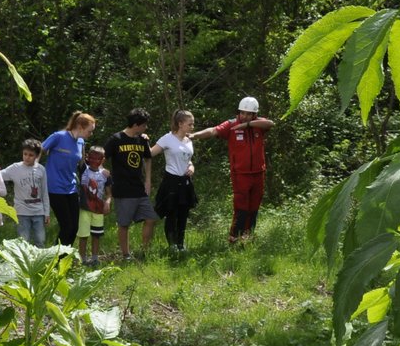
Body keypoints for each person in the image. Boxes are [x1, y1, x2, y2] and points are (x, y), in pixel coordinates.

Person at [191, 96, 275, 243]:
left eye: (249, 114)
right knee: (241, 206)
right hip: (240, 174)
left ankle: (247, 236)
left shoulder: (259, 124)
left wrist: (247, 125)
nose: (245, 116)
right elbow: (213, 131)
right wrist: (194, 135)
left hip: (258, 173)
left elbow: (271, 123)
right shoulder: (231, 124)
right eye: (242, 113)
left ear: (254, 114)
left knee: (254, 205)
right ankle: (234, 237)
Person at [104, 108, 159, 260]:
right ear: (136, 125)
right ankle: (126, 254)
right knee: (124, 223)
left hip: (139, 187)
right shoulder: (116, 139)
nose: (145, 128)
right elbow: (101, 157)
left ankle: (144, 251)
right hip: (122, 188)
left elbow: (148, 158)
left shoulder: (142, 139)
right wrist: (102, 170)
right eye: (144, 125)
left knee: (150, 218)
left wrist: (148, 180)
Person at [41, 112, 97, 248]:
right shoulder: (58, 137)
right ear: (80, 126)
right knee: (66, 227)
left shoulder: (81, 142)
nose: (91, 134)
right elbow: (38, 150)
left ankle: (64, 260)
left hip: (71, 188)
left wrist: (98, 174)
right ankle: (54, 260)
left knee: (74, 228)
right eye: (90, 131)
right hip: (55, 188)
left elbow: (82, 165)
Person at [151, 110, 199, 254]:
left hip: (185, 181)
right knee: (171, 212)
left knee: (183, 213)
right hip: (171, 180)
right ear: (180, 124)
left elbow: (187, 158)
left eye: (193, 124)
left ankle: (180, 244)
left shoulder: (188, 140)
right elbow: (151, 153)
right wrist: (141, 141)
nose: (192, 127)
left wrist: (192, 166)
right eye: (190, 124)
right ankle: (172, 245)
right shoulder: (167, 138)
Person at [0, 138, 50, 245]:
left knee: (40, 240)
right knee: (23, 241)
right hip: (22, 211)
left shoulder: (41, 170)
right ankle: (24, 261)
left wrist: (47, 212)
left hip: (38, 211)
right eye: (25, 154)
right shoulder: (15, 168)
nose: (27, 157)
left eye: (31, 155)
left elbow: (45, 192)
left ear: (36, 156)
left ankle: (39, 261)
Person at [77, 146, 112, 266]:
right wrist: (81, 141)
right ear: (88, 157)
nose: (94, 161)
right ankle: (82, 259)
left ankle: (95, 259)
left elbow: (108, 194)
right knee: (83, 235)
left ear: (102, 160)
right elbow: (80, 156)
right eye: (92, 158)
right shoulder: (83, 170)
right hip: (84, 209)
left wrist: (107, 202)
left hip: (98, 210)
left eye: (98, 159)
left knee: (96, 235)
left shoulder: (105, 174)